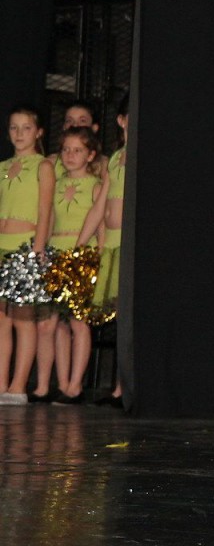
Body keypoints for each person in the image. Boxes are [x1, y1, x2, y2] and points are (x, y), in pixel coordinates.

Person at [75, 94, 130, 406]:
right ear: (121, 120)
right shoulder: (114, 158)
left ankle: (126, 385)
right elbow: (99, 206)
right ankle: (119, 388)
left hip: (126, 243)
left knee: (128, 315)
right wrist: (81, 243)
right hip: (110, 243)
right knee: (119, 316)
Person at [46, 126, 105, 403]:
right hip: (56, 255)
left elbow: (101, 226)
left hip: (81, 258)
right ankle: (62, 383)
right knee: (58, 323)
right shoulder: (56, 184)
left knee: (79, 322)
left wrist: (99, 256)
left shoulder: (95, 186)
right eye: (66, 150)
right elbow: (49, 219)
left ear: (90, 155)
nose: (70, 155)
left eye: (77, 150)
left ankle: (75, 384)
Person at [0, 106, 50, 405]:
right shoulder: (3, 166)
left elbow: (45, 210)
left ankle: (18, 386)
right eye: (13, 127)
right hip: (1, 246)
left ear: (38, 132)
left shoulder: (43, 166)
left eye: (26, 128)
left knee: (23, 318)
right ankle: (1, 382)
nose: (19, 134)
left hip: (24, 248)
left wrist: (37, 249)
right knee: (1, 320)